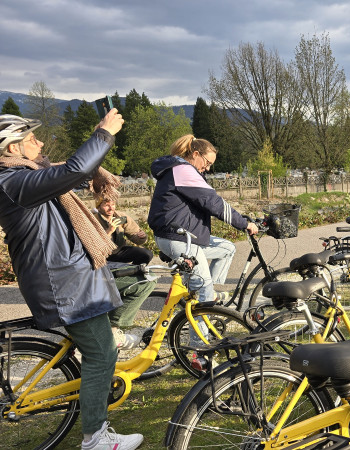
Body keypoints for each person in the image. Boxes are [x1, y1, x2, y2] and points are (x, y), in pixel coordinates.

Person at [0, 112, 143, 448]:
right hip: (65, 284)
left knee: (105, 336)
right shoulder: (12, 181)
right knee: (101, 354)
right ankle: (96, 437)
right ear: (12, 146)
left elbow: (65, 172)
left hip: (69, 279)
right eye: (32, 138)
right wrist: (105, 134)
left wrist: (95, 140)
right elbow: (74, 170)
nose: (41, 142)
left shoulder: (26, 176)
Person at [147, 135, 258, 304]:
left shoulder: (181, 169)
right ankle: (202, 319)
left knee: (227, 249)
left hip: (184, 236)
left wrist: (242, 219)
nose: (207, 168)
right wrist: (244, 224)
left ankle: (205, 297)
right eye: (207, 163)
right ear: (196, 154)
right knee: (203, 286)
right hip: (178, 238)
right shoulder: (183, 170)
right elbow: (213, 203)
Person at [94, 195, 153, 265]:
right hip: (102, 256)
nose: (111, 208)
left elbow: (135, 235)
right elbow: (94, 246)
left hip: (119, 251)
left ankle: (134, 271)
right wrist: (109, 231)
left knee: (147, 254)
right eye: (106, 205)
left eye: (113, 204)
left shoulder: (120, 217)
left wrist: (141, 237)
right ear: (98, 207)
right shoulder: (93, 220)